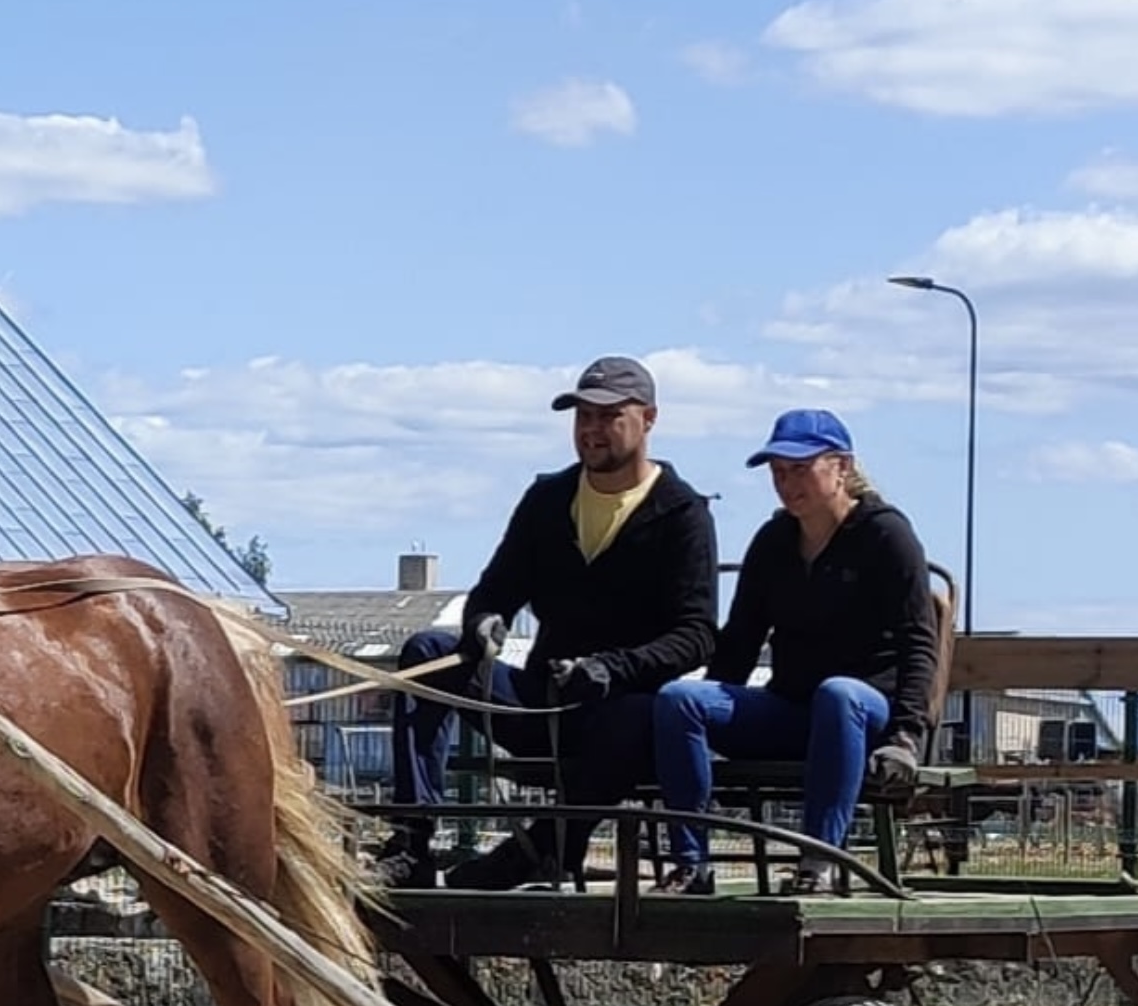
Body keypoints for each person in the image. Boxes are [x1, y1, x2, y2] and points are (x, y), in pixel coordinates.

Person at [371, 355, 719, 890]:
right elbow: (495, 591)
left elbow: (695, 636)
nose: (592, 430)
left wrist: (613, 668)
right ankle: (412, 842)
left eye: (608, 416)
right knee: (424, 653)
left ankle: (552, 848)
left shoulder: (682, 513)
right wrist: (485, 622)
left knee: (641, 714)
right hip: (540, 699)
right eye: (583, 417)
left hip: (619, 715)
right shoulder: (547, 500)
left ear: (648, 419)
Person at [650, 407, 938, 896]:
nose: (786, 483)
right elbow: (741, 639)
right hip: (792, 708)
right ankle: (691, 865)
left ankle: (818, 863)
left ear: (841, 467)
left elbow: (919, 640)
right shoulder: (773, 541)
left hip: (864, 715)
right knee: (680, 700)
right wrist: (715, 709)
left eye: (800, 469)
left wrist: (907, 735)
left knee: (839, 693)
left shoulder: (886, 536)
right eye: (778, 473)